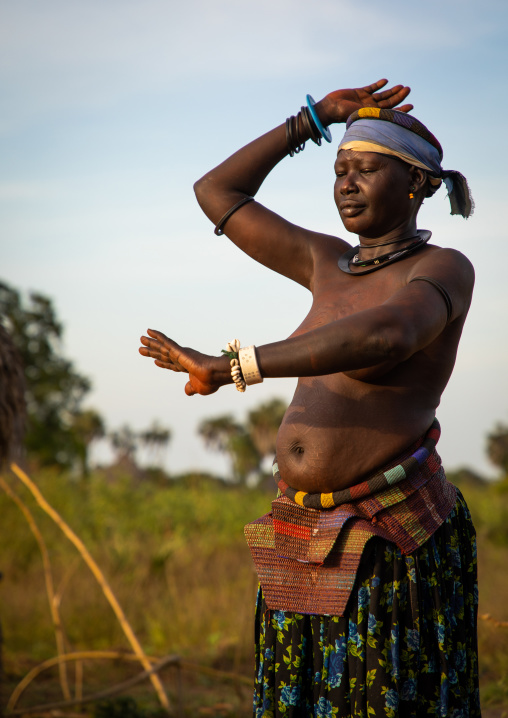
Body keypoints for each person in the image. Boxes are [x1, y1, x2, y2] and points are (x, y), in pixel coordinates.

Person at [139, 80, 480, 717]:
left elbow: (387, 334)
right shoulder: (327, 261)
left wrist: (238, 365)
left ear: (417, 184)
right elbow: (217, 193)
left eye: (367, 169)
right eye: (339, 170)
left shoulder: (441, 268)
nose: (346, 183)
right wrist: (313, 120)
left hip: (388, 539)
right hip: (301, 531)